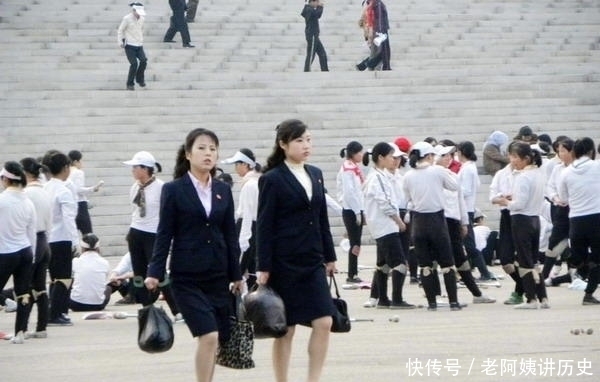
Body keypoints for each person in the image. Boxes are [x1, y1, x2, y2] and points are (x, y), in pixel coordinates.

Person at [145, 128, 243, 382]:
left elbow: (230, 234)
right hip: (187, 276)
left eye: (212, 148)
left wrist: (236, 273)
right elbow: (164, 233)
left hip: (218, 275)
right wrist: (155, 271)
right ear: (188, 154)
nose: (208, 153)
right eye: (201, 148)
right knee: (208, 335)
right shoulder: (174, 190)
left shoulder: (223, 189)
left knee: (215, 338)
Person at [256, 119, 336, 382]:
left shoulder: (315, 173)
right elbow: (264, 225)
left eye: (309, 140)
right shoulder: (272, 179)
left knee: (324, 321)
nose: (306, 145)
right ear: (283, 144)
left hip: (312, 260)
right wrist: (263, 266)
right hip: (284, 263)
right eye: (300, 140)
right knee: (285, 329)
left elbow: (321, 217)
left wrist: (330, 256)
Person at [403, 141, 462, 311]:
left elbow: (406, 198)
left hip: (418, 221)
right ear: (429, 156)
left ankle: (432, 303)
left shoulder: (408, 175)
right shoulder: (437, 171)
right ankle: (453, 301)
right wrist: (445, 170)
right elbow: (455, 186)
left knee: (425, 265)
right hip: (436, 220)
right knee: (447, 263)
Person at [435, 146, 496, 304]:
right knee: (439, 260)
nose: (448, 157)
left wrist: (463, 222)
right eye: (443, 155)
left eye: (449, 154)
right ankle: (438, 297)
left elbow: (460, 199)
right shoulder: (434, 175)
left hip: (453, 220)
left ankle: (475, 292)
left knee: (459, 258)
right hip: (439, 220)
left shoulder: (452, 174)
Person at [497, 142, 549, 309]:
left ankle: (531, 299)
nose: (512, 160)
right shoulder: (539, 173)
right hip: (535, 218)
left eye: (515, 157)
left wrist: (505, 201)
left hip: (522, 220)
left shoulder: (523, 176)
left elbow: (519, 204)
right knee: (534, 261)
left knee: (525, 261)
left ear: (526, 158)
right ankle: (543, 298)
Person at [363, 142, 414, 309]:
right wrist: (398, 221)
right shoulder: (377, 177)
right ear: (381, 158)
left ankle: (383, 299)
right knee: (399, 263)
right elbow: (385, 202)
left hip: (381, 225)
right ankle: (397, 299)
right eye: (391, 156)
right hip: (385, 226)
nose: (394, 159)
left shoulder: (378, 176)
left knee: (384, 264)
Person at [558, 137, 600, 305]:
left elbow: (563, 198)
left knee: (580, 257)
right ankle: (589, 294)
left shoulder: (566, 172)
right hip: (596, 217)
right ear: (591, 151)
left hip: (575, 219)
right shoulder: (597, 167)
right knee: (597, 259)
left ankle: (568, 257)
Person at [0, 161, 36, 344]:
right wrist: (33, 255)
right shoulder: (27, 201)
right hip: (25, 250)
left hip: (5, 252)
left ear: (5, 179)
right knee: (23, 293)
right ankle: (20, 332)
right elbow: (32, 232)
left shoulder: (2, 201)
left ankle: (7, 305)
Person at [42, 150, 79, 326]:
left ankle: (56, 310)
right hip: (62, 238)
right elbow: (69, 218)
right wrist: (76, 241)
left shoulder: (45, 188)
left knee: (54, 278)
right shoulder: (63, 191)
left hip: (48, 238)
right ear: (65, 168)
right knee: (64, 278)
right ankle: (55, 314)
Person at [123, 151, 164, 306]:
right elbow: (134, 209)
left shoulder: (161, 187)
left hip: (153, 233)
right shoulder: (135, 187)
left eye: (135, 167)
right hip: (136, 231)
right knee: (138, 273)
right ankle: (145, 305)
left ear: (145, 168)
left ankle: (176, 309)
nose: (133, 170)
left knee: (158, 271)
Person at [20, 157, 52, 338]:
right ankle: (41, 328)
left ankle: (22, 328)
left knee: (24, 287)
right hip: (44, 240)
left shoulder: (26, 193)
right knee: (40, 287)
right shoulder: (45, 191)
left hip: (31, 240)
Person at [222, 148, 262, 290]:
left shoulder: (250, 184)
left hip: (248, 227)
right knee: (250, 267)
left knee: (241, 269)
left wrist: (244, 239)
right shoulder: (256, 181)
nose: (236, 168)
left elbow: (247, 215)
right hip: (254, 227)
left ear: (245, 165)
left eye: (237, 164)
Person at [456, 141, 496, 282]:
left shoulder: (467, 169)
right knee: (467, 244)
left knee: (469, 244)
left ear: (461, 152)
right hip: (468, 208)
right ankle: (481, 272)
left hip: (465, 209)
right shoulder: (470, 167)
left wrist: (453, 191)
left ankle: (484, 272)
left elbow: (465, 190)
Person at [336, 141, 365, 283]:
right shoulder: (348, 169)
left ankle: (353, 271)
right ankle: (351, 274)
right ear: (353, 153)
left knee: (356, 241)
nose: (362, 155)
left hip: (356, 208)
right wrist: (357, 212)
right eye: (359, 152)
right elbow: (349, 193)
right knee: (355, 242)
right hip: (351, 210)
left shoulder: (353, 167)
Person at [69, 233, 111, 312]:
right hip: (98, 305)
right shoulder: (105, 262)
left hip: (75, 304)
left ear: (82, 248)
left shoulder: (75, 261)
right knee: (108, 288)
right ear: (98, 247)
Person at [67, 150, 104, 235]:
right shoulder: (78, 172)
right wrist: (93, 189)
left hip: (70, 205)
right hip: (80, 205)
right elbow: (79, 190)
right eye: (80, 160)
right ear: (76, 161)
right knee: (88, 234)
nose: (81, 163)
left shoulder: (66, 172)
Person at [117, 3, 147, 90]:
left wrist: (141, 38)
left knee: (144, 60)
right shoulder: (127, 18)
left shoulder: (142, 19)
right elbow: (120, 30)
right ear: (133, 10)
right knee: (134, 64)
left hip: (139, 44)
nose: (139, 14)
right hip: (130, 45)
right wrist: (120, 42)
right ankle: (130, 84)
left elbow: (142, 29)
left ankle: (139, 79)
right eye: (137, 12)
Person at [356, 0, 390, 71]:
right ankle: (366, 65)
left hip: (374, 30)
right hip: (376, 30)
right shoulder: (375, 4)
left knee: (377, 51)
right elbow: (369, 19)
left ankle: (365, 66)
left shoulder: (372, 4)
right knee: (380, 52)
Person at [302, 0, 328, 72]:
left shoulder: (310, 9)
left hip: (314, 35)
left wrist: (319, 7)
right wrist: (320, 7)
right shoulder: (308, 9)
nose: (318, 3)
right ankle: (306, 71)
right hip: (312, 35)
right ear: (312, 2)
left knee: (322, 53)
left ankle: (325, 70)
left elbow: (317, 15)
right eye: (317, 2)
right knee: (311, 54)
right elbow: (317, 14)